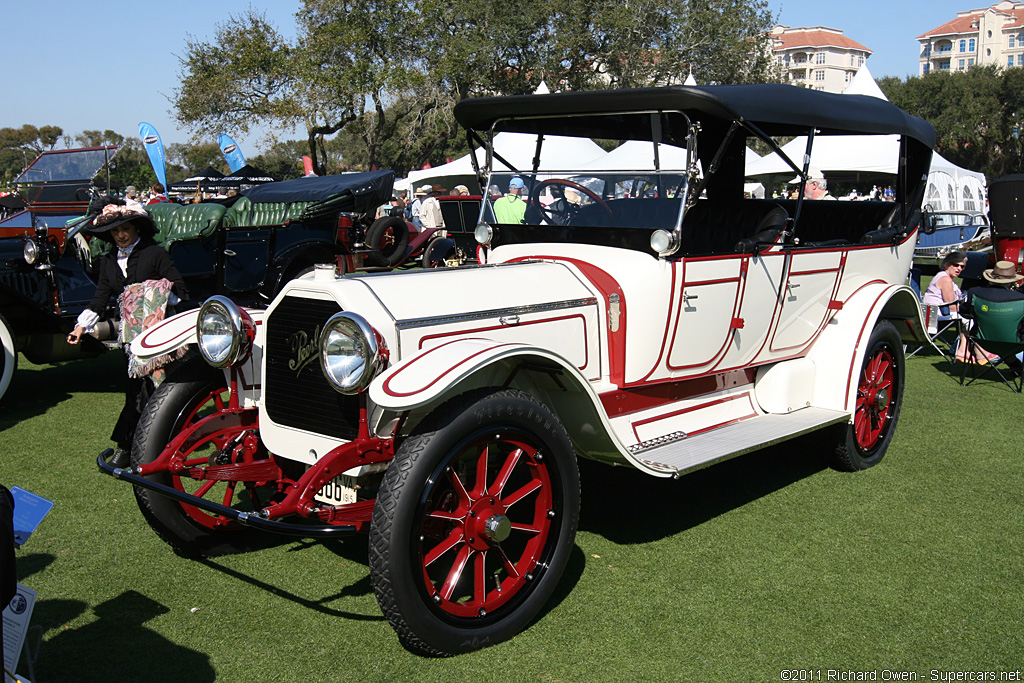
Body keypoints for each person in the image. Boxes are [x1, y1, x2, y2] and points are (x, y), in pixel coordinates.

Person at [67, 204, 189, 468]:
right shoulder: (109, 262)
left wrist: (151, 294)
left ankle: (158, 443)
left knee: (159, 387)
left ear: (137, 229)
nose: (121, 235)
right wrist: (80, 327)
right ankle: (131, 445)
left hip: (160, 333)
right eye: (116, 231)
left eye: (126, 229)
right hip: (131, 338)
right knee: (135, 392)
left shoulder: (155, 254)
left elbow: (179, 288)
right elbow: (100, 298)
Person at [960, 260, 1024, 367]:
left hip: (982, 341)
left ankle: (1016, 367)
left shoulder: (975, 292)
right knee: (1009, 334)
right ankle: (1017, 367)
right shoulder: (1020, 298)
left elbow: (964, 312)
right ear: (1012, 280)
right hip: (1015, 343)